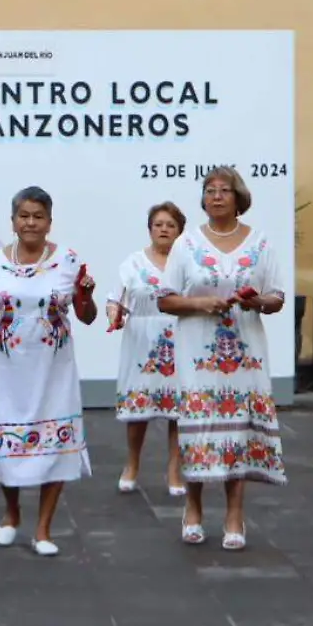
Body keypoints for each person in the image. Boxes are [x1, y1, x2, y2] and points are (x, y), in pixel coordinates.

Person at [0, 187, 98, 556]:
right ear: (13, 221)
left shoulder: (68, 260)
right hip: (7, 368)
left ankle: (43, 528)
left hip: (54, 368)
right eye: (24, 216)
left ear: (49, 221)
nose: (31, 222)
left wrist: (87, 295)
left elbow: (86, 316)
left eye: (38, 216)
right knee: (10, 445)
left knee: (55, 444)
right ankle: (12, 512)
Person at [157, 167, 287, 551]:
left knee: (239, 428)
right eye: (209, 190)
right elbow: (165, 298)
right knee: (199, 425)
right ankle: (193, 507)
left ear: (238, 197)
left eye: (224, 191)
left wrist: (256, 301)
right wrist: (200, 303)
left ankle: (235, 513)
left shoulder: (259, 244)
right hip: (198, 351)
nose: (216, 197)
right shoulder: (187, 243)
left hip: (245, 353)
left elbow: (276, 297)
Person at [110, 201, 188, 497]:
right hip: (141, 340)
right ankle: (132, 464)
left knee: (178, 410)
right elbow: (116, 297)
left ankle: (174, 469)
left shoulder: (188, 262)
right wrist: (113, 313)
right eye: (159, 224)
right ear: (150, 229)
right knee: (138, 410)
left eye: (170, 225)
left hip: (180, 336)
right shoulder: (133, 262)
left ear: (180, 230)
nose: (164, 229)